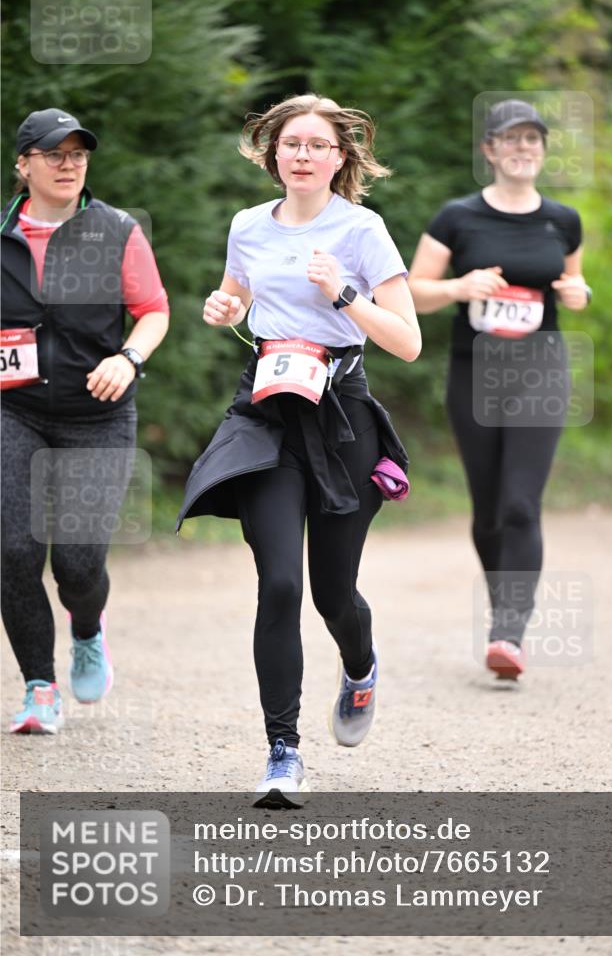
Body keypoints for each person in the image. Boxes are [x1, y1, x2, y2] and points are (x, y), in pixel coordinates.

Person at [177, 93, 421, 807]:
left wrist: (342, 291)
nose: (304, 154)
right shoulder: (248, 225)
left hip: (343, 415)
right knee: (279, 583)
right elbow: (233, 298)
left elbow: (406, 342)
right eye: (292, 144)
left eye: (318, 144)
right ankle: (282, 752)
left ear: (340, 158)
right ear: (271, 153)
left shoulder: (362, 230)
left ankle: (360, 663)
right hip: (267, 413)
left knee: (331, 593)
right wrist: (221, 308)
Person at [408, 99, 589, 680]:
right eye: (509, 139)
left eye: (532, 139)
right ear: (488, 150)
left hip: (541, 368)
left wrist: (579, 293)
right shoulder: (457, 218)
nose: (522, 148)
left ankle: (508, 633)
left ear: (541, 148)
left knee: (519, 503)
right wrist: (462, 286)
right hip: (474, 373)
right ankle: (502, 609)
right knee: (487, 511)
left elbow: (574, 279)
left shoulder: (563, 220)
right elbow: (413, 291)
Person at [1, 108, 169, 733]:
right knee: (13, 550)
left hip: (96, 416)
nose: (69, 163)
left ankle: (88, 627)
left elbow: (152, 310)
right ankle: (39, 688)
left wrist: (129, 357)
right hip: (11, 411)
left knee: (76, 559)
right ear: (23, 166)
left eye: (78, 153)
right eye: (53, 153)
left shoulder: (117, 231)